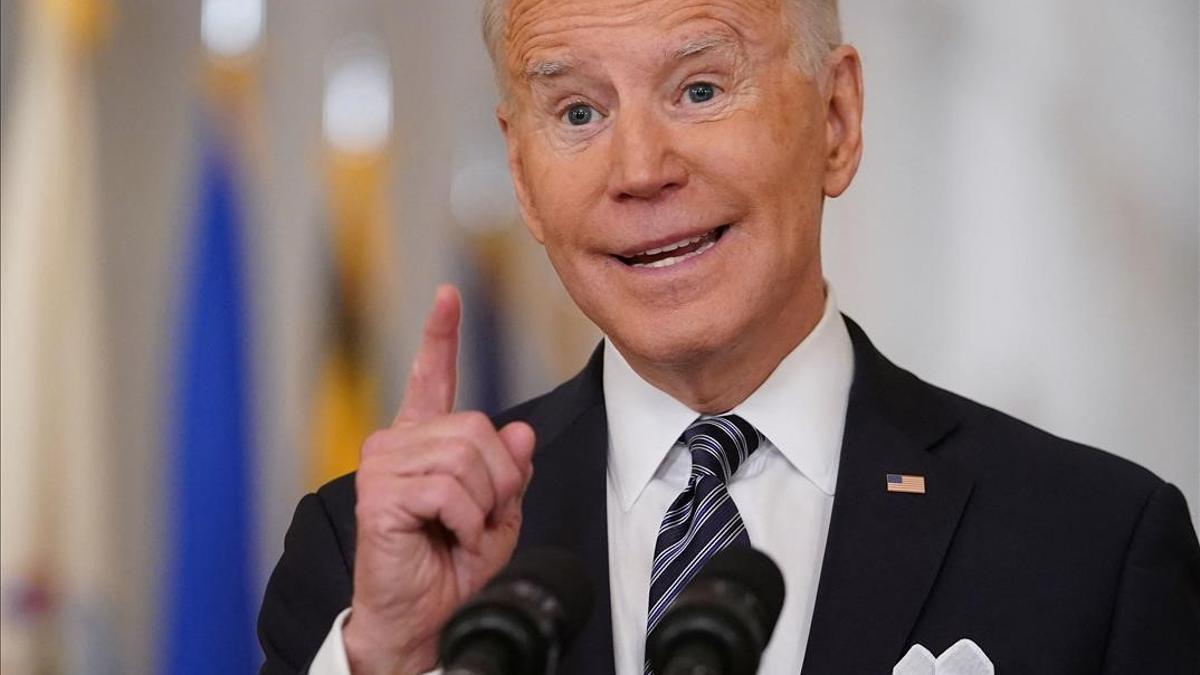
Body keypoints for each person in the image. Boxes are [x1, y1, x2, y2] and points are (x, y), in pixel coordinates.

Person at [257, 0, 1200, 673]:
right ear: (521, 171)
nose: (639, 169)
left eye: (701, 89)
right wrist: (385, 661)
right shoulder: (368, 561)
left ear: (836, 118)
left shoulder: (1092, 544)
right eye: (578, 112)